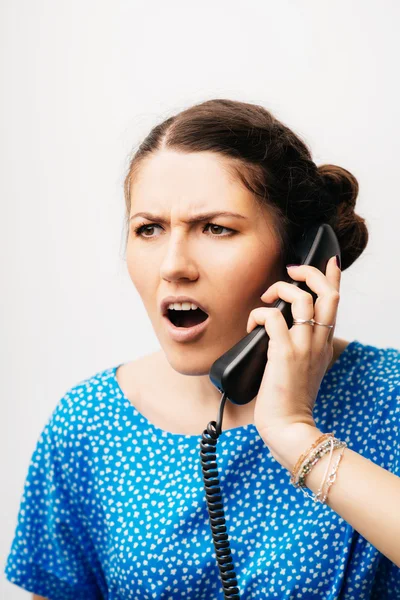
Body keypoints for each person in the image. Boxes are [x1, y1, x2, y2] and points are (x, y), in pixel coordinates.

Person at [4, 98, 400, 600]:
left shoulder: (390, 395)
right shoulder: (86, 424)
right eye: (148, 229)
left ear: (300, 255)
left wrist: (297, 436)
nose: (173, 266)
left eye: (216, 228)